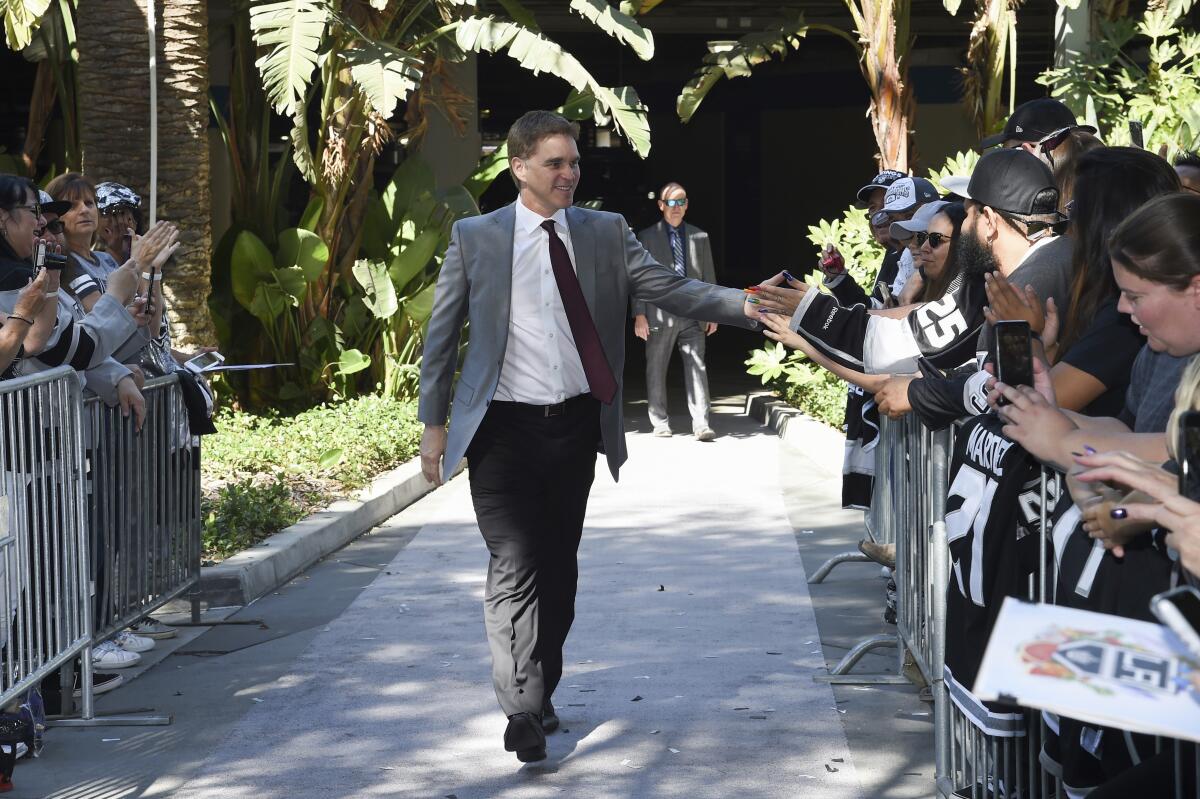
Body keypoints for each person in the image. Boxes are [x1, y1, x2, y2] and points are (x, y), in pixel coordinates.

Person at [417, 110, 762, 763]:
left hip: (575, 423)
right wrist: (434, 426)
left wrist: (745, 304)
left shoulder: (605, 233)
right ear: (520, 166)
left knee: (558, 568)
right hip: (501, 428)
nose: (570, 173)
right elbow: (441, 341)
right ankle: (520, 707)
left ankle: (541, 683)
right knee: (513, 563)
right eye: (555, 163)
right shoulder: (477, 237)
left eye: (574, 162)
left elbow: (670, 286)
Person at [878, 147, 1074, 424]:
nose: (963, 225)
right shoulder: (1022, 273)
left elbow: (1010, 393)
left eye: (968, 215)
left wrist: (918, 394)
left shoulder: (1033, 280)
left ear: (991, 222)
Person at [631, 182, 718, 440]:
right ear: (661, 205)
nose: (676, 207)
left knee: (697, 367)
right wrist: (639, 314)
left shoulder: (699, 236)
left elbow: (708, 277)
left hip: (694, 314)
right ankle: (659, 422)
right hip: (659, 313)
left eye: (681, 202)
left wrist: (715, 311)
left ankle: (701, 424)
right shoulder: (646, 237)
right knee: (656, 368)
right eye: (671, 202)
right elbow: (637, 278)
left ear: (687, 205)